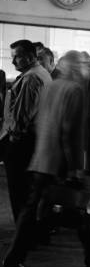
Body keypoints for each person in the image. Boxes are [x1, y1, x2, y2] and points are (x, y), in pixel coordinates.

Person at [3, 51, 87, 267]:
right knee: (78, 211)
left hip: (42, 156)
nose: (86, 69)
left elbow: (40, 120)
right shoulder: (75, 90)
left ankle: (15, 256)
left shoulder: (51, 85)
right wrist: (74, 167)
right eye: (82, 65)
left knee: (32, 209)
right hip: (60, 162)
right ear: (73, 68)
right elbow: (69, 131)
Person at [0, 40, 52, 223]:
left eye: (17, 57)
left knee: (19, 191)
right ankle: (30, 231)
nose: (13, 62)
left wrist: (12, 141)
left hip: (22, 141)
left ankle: (24, 233)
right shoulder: (42, 73)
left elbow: (21, 116)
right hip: (34, 139)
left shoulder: (31, 78)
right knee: (27, 191)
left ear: (30, 56)